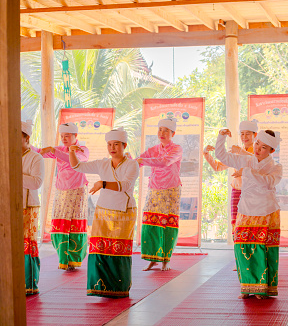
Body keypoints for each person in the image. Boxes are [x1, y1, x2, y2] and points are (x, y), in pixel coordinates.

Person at [69, 127, 139, 298]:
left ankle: (119, 288)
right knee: (100, 248)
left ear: (124, 145)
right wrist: (71, 151)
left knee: (118, 250)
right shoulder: (102, 163)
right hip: (103, 211)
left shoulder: (132, 164)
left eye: (116, 144)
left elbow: (125, 186)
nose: (112, 148)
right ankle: (100, 287)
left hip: (124, 212)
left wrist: (103, 183)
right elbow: (77, 166)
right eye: (109, 144)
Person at [215, 128, 283, 299]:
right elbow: (222, 156)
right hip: (245, 210)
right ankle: (247, 287)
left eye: (264, 147)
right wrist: (221, 137)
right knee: (242, 247)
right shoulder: (247, 160)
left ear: (272, 151)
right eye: (257, 144)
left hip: (266, 210)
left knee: (261, 249)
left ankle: (261, 287)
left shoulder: (276, 168)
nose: (258, 149)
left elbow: (267, 183)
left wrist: (246, 172)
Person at [35, 122, 89, 270]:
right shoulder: (58, 149)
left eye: (67, 136)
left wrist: (54, 150)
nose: (64, 139)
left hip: (77, 191)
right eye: (62, 136)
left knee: (74, 223)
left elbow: (74, 161)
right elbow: (40, 151)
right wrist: (27, 147)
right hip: (61, 191)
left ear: (75, 136)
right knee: (60, 223)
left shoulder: (82, 149)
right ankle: (63, 258)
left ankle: (74, 258)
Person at [137, 118, 182, 271]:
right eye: (160, 129)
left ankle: (166, 259)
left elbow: (164, 162)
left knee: (167, 223)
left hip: (171, 190)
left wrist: (144, 160)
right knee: (150, 221)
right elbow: (139, 161)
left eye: (166, 130)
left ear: (173, 133)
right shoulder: (153, 149)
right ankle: (152, 258)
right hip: (154, 189)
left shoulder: (177, 149)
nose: (162, 133)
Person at [203, 120, 258, 232]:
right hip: (237, 191)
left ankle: (251, 249)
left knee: (251, 223)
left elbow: (258, 162)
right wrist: (206, 153)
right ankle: (238, 248)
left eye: (248, 133)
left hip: (253, 193)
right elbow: (218, 167)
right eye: (242, 134)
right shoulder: (236, 151)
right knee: (236, 223)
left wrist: (241, 151)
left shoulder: (259, 151)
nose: (244, 136)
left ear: (255, 135)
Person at [21, 120, 44, 295]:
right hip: (7, 205)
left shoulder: (36, 157)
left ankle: (29, 283)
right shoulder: (6, 155)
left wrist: (14, 173)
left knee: (27, 244)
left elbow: (36, 183)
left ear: (26, 137)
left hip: (28, 206)